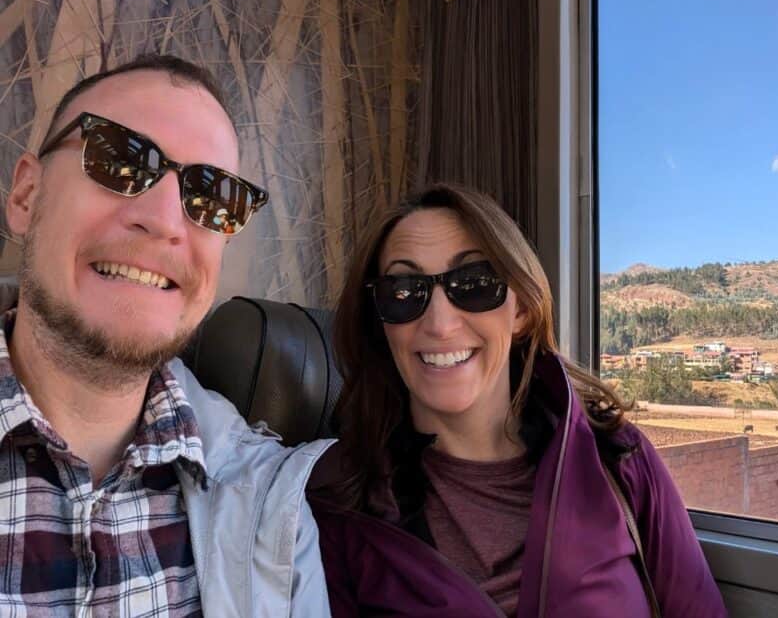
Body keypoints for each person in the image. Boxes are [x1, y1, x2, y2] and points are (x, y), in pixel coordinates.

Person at [1, 54, 333, 616]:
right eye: (118, 158)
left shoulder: (278, 517)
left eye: (212, 197)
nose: (164, 219)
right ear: (27, 197)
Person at [308, 184, 727, 617]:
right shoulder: (341, 506)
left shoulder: (617, 458)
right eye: (402, 291)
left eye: (473, 284)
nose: (440, 324)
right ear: (380, 324)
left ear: (522, 309)